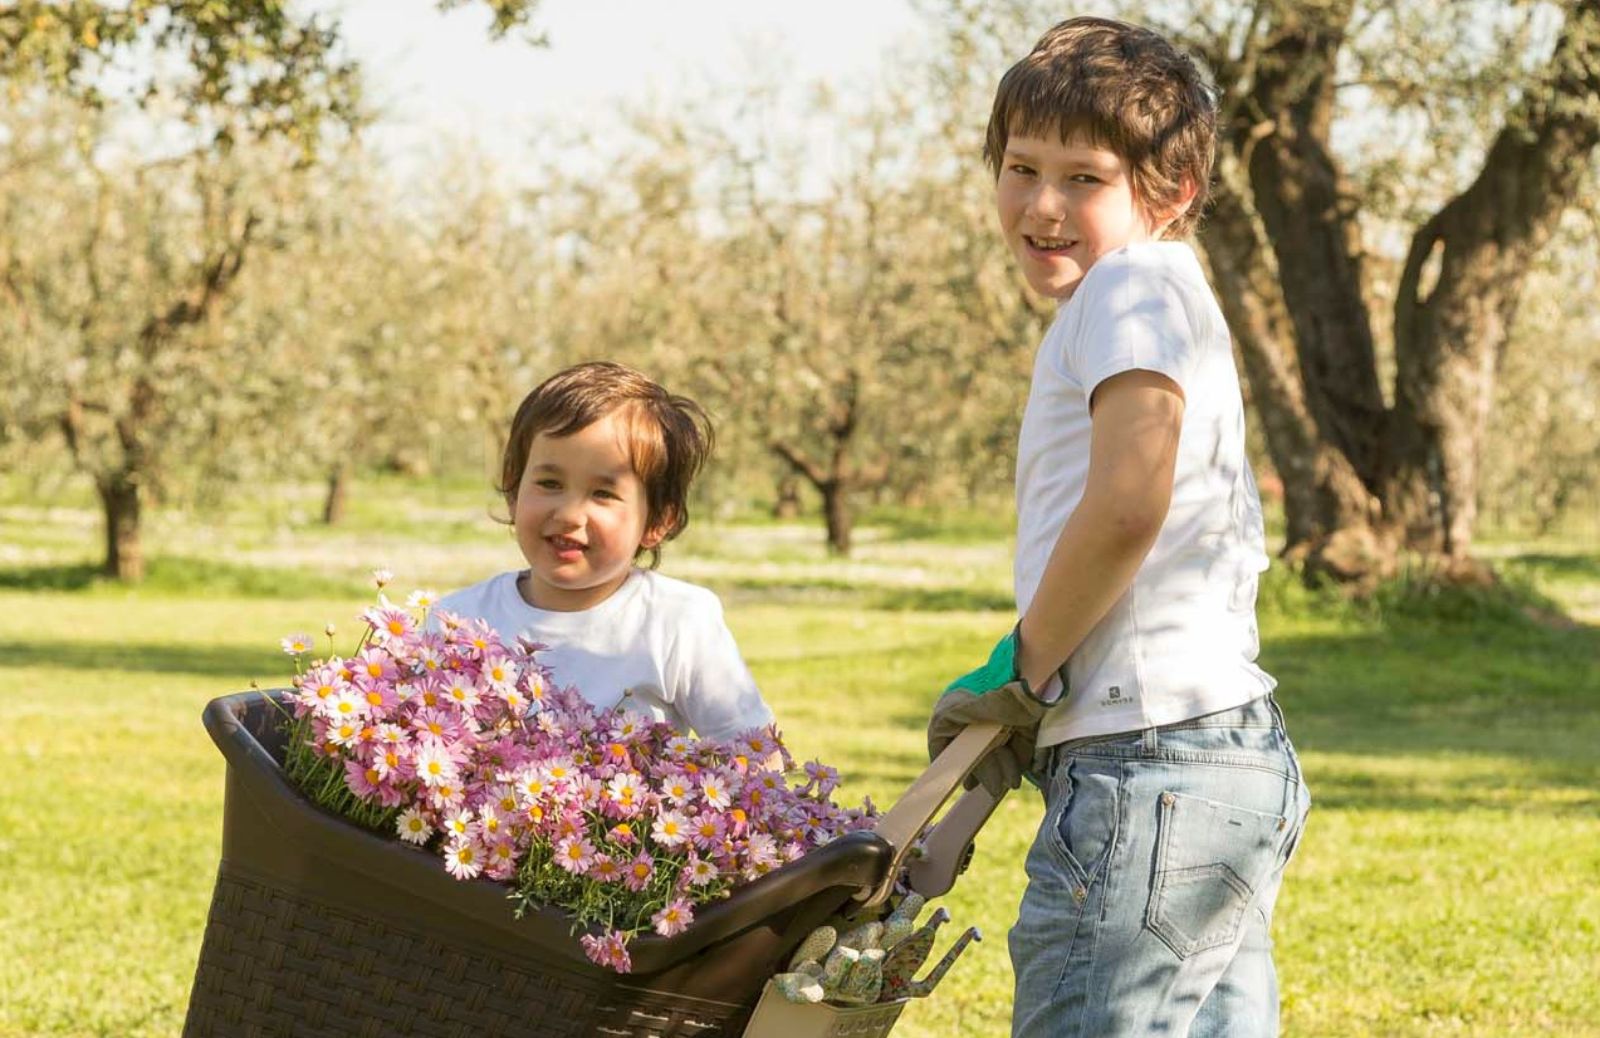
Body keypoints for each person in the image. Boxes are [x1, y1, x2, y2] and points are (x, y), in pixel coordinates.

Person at [924, 17, 1311, 1037]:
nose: (1042, 205)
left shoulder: (1130, 285)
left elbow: (1131, 497)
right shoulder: (1162, 293)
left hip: (1148, 774)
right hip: (1212, 762)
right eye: (1019, 168)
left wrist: (1021, 671)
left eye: (1084, 179)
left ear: (1170, 193)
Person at [434, 361, 773, 743]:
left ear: (657, 521)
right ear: (513, 491)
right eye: (549, 483)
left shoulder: (677, 621)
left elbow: (753, 750)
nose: (568, 514)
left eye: (603, 493)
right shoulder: (455, 623)